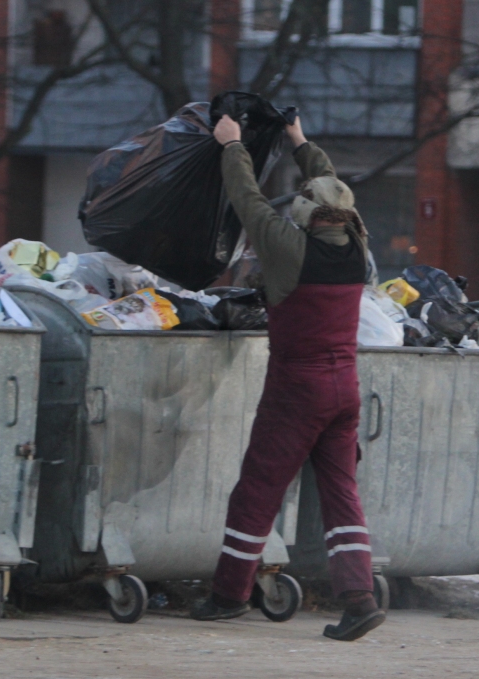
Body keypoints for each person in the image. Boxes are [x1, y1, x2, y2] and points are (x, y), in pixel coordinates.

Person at [189, 114, 384, 642]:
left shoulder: (288, 248)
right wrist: (298, 140)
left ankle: (229, 594)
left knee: (257, 489)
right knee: (342, 494)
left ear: (306, 212)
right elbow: (330, 180)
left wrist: (233, 146)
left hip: (297, 390)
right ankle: (360, 600)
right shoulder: (356, 247)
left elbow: (247, 198)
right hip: (346, 388)